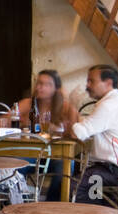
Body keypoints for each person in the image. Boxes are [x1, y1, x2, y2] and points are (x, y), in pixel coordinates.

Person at [64, 65, 118, 205]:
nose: (87, 85)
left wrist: (72, 105)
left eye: (92, 81)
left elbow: (75, 135)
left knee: (71, 188)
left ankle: (113, 208)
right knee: (69, 165)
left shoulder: (109, 106)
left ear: (108, 83)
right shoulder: (115, 101)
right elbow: (89, 126)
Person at [15, 69, 81, 202]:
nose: (40, 87)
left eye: (47, 84)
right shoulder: (28, 103)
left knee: (65, 167)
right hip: (31, 154)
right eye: (39, 83)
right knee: (10, 163)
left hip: (56, 156)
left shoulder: (66, 107)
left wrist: (72, 104)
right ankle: (17, 207)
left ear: (56, 88)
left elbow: (76, 135)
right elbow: (6, 119)